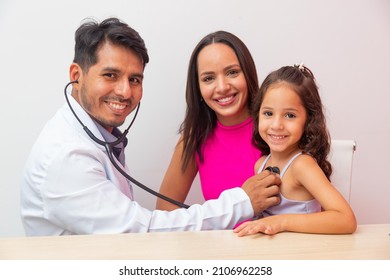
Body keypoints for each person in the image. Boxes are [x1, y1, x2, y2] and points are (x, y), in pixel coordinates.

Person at [20, 17, 281, 236]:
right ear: (76, 76)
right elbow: (142, 230)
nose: (124, 91)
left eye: (134, 79)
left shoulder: (279, 128)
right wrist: (242, 202)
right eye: (110, 75)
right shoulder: (66, 157)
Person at [234, 64, 357, 236]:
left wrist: (280, 222)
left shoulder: (302, 165)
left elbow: (346, 220)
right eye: (268, 113)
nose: (277, 125)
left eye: (290, 115)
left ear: (308, 120)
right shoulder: (260, 164)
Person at [156, 31, 261, 213]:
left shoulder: (275, 128)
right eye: (208, 78)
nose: (222, 87)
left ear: (248, 73)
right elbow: (165, 208)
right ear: (198, 87)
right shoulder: (194, 137)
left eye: (232, 72)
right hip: (219, 240)